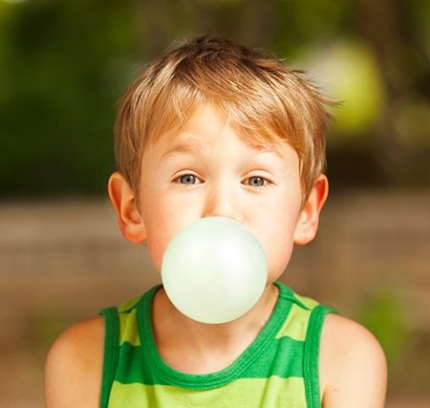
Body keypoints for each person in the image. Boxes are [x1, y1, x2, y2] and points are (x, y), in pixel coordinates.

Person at [44, 35, 387, 407]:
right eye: (188, 178)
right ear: (131, 208)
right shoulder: (85, 360)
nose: (222, 209)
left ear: (306, 211)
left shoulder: (339, 360)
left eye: (256, 179)